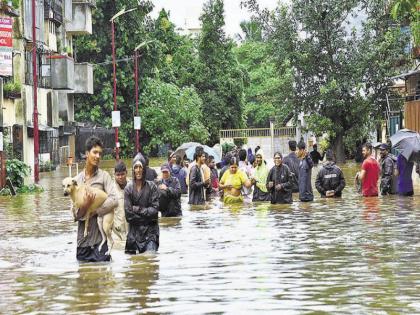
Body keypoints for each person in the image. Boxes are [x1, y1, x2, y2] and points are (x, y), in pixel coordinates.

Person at [73, 136, 118, 262]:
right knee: (83, 278)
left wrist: (96, 211)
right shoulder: (76, 181)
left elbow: (114, 200)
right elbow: (75, 216)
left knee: (103, 277)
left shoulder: (104, 177)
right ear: (87, 154)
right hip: (82, 243)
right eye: (95, 152)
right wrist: (86, 206)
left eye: (100, 153)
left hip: (100, 243)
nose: (98, 156)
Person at [124, 154, 160, 254]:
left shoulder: (152, 187)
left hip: (150, 233)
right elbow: (128, 216)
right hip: (134, 235)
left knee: (150, 262)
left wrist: (137, 209)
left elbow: (155, 211)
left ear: (144, 169)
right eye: (136, 167)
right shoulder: (128, 189)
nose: (138, 170)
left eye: (140, 167)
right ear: (133, 169)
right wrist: (147, 217)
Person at [112, 161, 129, 242]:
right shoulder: (110, 190)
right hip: (116, 232)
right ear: (114, 175)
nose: (120, 177)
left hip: (131, 230)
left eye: (122, 174)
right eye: (118, 175)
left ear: (126, 173)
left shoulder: (133, 187)